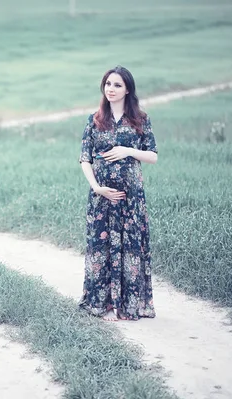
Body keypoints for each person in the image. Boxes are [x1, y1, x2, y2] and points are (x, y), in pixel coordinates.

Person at [78, 65, 158, 321]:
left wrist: (128, 150)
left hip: (130, 199)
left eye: (117, 85)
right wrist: (97, 187)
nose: (111, 89)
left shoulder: (141, 120)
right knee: (101, 248)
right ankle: (104, 304)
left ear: (127, 90)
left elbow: (153, 156)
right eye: (108, 84)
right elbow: (85, 159)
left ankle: (129, 304)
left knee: (129, 249)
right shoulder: (94, 120)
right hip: (102, 197)